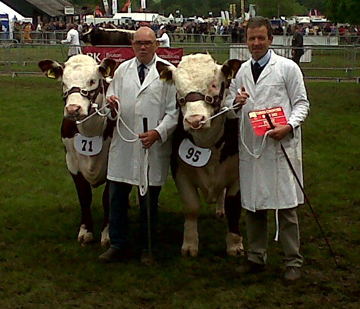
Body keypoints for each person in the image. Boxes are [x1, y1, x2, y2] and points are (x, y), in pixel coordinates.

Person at [225, 16, 310, 282]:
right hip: (252, 147)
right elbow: (229, 107)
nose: (256, 43)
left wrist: (289, 126)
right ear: (246, 41)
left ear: (271, 39)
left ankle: (292, 260)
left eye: (261, 38)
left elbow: (302, 104)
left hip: (279, 146)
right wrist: (236, 103)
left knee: (285, 207)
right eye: (252, 39)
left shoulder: (287, 68)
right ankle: (256, 256)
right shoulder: (241, 72)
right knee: (253, 205)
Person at [99, 26, 178, 264]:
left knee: (148, 201)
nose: (143, 47)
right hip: (125, 144)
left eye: (148, 43)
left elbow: (174, 112)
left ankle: (147, 247)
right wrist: (110, 104)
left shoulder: (168, 72)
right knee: (117, 198)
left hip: (152, 145)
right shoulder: (123, 70)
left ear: (156, 45)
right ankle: (118, 243)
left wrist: (158, 132)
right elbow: (109, 104)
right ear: (132, 45)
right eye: (138, 43)